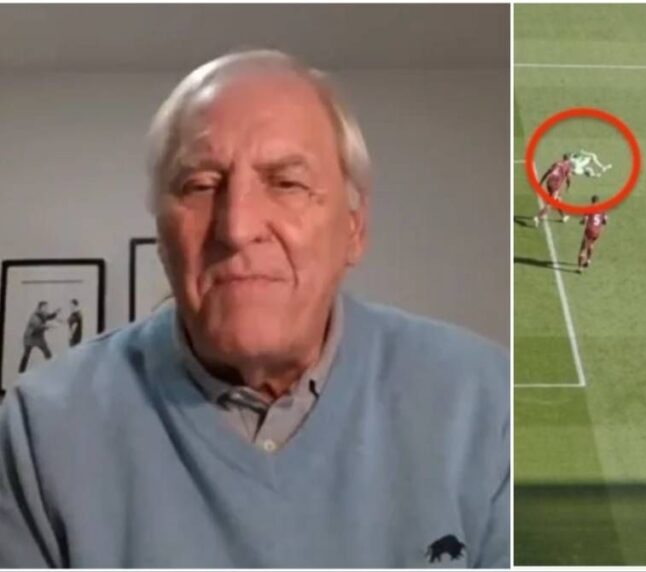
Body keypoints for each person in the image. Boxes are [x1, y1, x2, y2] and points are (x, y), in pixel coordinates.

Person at [0, 50, 509, 568]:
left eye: (286, 183)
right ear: (162, 234)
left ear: (354, 229)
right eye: (200, 186)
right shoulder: (42, 429)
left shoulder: (487, 405)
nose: (237, 227)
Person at [16, 301, 61, 373]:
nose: (47, 309)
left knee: (47, 352)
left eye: (47, 307)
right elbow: (38, 327)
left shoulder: (43, 314)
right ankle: (21, 371)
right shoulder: (34, 316)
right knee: (26, 354)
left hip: (39, 337)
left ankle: (52, 368)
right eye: (45, 307)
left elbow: (49, 316)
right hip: (30, 337)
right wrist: (49, 326)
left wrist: (55, 313)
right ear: (41, 308)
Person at [533, 154, 573, 225]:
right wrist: (568, 187)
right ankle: (538, 217)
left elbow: (547, 173)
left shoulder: (556, 163)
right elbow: (569, 179)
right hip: (555, 186)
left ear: (563, 158)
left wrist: (541, 182)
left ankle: (564, 216)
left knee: (558, 200)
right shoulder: (568, 166)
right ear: (569, 159)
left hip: (549, 183)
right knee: (551, 203)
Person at [577, 195, 609, 273]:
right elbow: (605, 221)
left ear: (592, 201)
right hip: (597, 231)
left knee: (583, 248)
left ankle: (580, 267)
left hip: (589, 230)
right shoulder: (603, 209)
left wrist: (581, 222)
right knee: (591, 244)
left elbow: (585, 219)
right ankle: (588, 260)